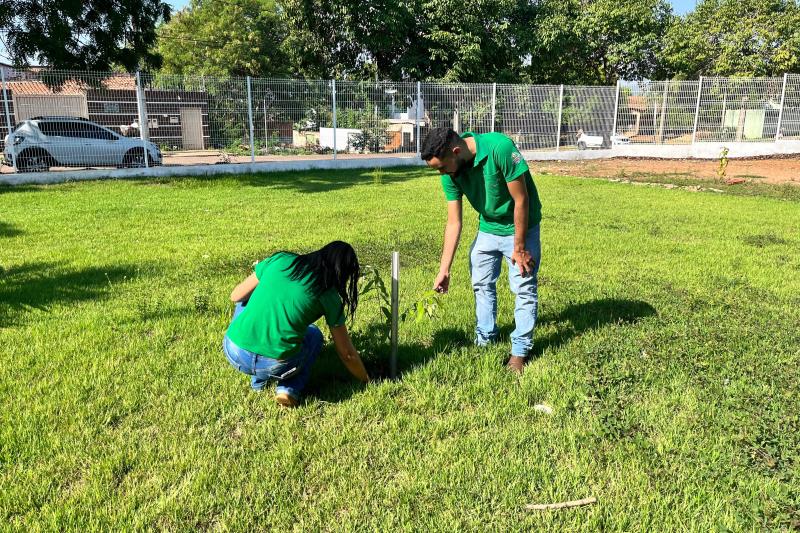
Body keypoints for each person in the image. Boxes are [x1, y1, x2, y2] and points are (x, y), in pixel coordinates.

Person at [421, 128, 542, 374]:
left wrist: (519, 248)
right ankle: (485, 338)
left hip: (520, 228)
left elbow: (521, 200)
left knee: (523, 287)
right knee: (481, 283)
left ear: (456, 152)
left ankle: (519, 351)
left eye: (442, 168)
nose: (441, 174)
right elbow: (454, 222)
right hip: (488, 229)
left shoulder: (500, 148)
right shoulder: (450, 172)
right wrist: (444, 269)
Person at [223, 241, 370, 406]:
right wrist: (367, 380)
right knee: (314, 335)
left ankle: (258, 384)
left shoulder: (280, 260)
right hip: (274, 365)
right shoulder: (329, 295)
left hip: (234, 351)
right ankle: (288, 389)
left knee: (245, 299)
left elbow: (236, 296)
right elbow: (347, 354)